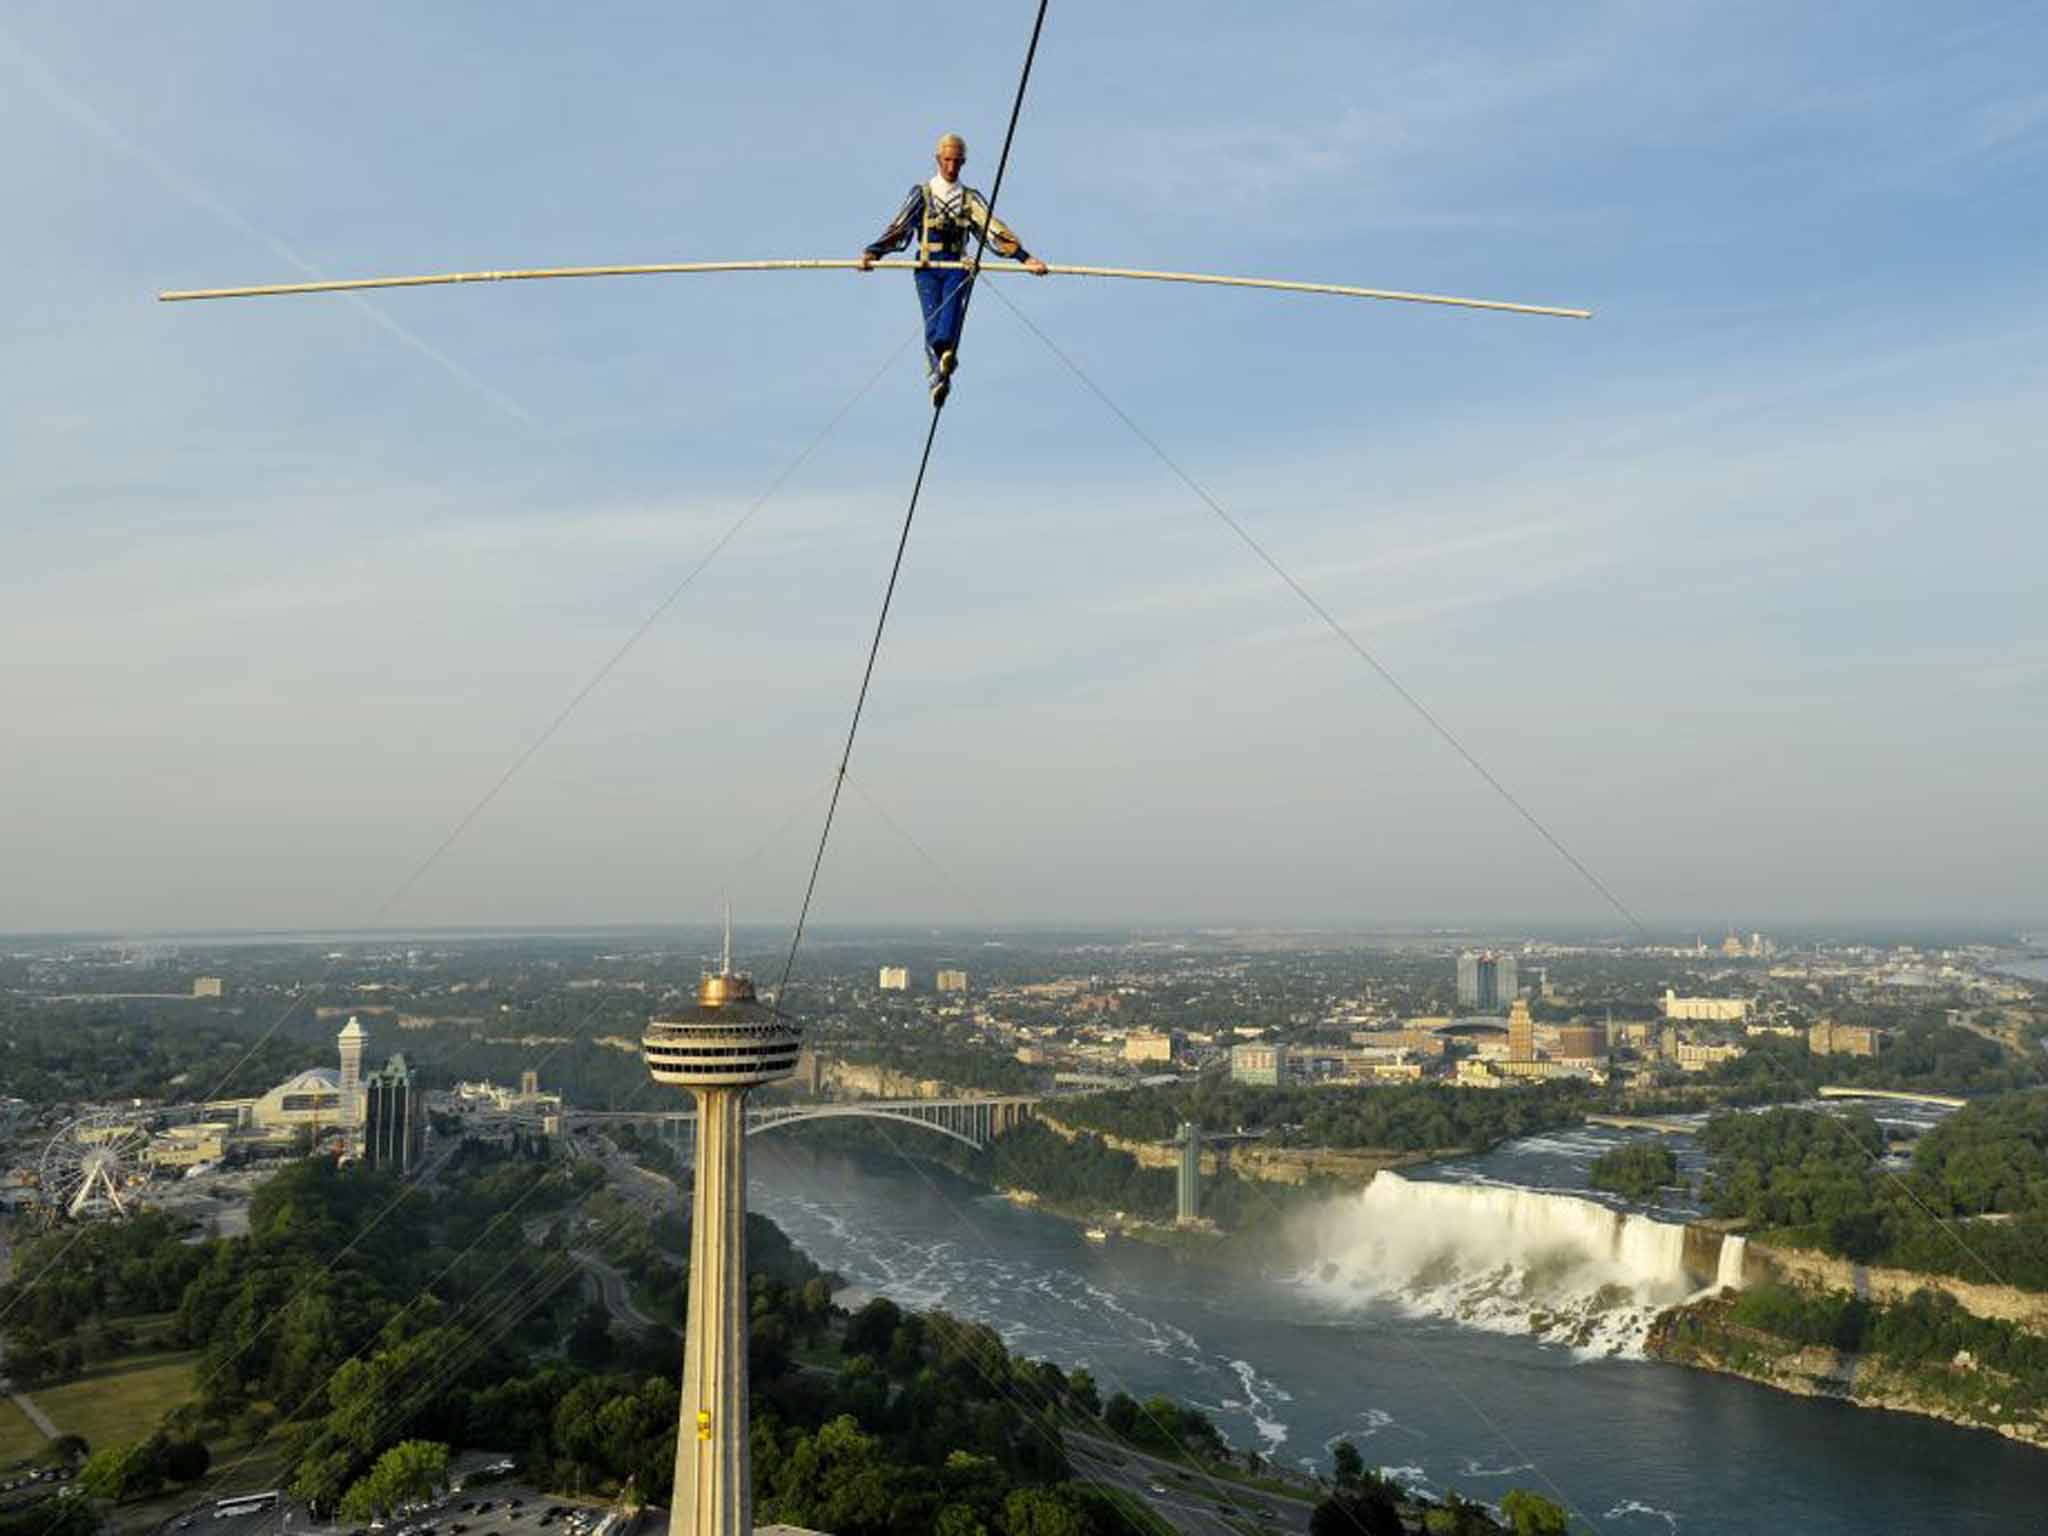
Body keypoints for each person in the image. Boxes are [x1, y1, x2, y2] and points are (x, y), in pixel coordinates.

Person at [859, 132, 1048, 406]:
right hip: (926, 266)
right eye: (947, 160)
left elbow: (992, 229)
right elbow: (900, 227)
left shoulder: (969, 199)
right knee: (932, 321)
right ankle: (938, 374)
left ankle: (945, 356)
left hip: (956, 266)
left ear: (963, 163)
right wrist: (873, 253)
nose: (951, 167)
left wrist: (1024, 258)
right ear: (938, 160)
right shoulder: (923, 194)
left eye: (957, 162)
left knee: (948, 320)